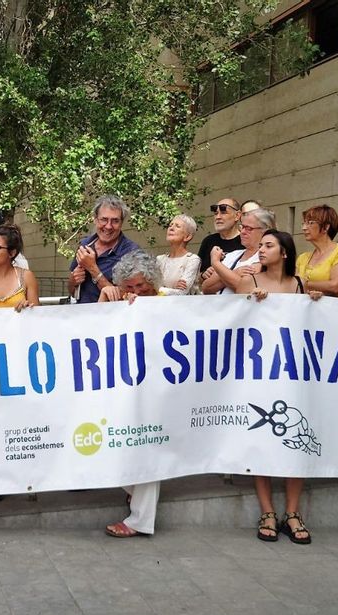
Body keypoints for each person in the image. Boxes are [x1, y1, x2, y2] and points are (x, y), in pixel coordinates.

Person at [230, 230, 313, 544]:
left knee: (297, 439)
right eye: (261, 245)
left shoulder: (300, 284)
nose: (261, 250)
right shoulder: (248, 281)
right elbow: (232, 323)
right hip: (259, 373)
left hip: (292, 372)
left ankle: (292, 512)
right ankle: (267, 510)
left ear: (285, 252)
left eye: (268, 246)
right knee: (261, 440)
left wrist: (315, 302)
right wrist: (250, 304)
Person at [99, 251, 164, 537]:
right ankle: (134, 491)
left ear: (153, 283)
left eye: (142, 286)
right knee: (116, 442)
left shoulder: (168, 303)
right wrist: (108, 297)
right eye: (130, 286)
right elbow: (94, 325)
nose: (136, 291)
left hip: (158, 388)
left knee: (148, 446)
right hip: (126, 387)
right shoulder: (121, 302)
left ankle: (140, 519)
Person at [67, 195, 141, 303]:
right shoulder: (85, 245)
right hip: (82, 311)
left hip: (113, 313)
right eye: (104, 219)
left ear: (121, 223)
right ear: (95, 220)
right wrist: (73, 281)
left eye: (115, 221)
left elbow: (127, 298)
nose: (108, 226)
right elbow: (72, 291)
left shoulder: (132, 252)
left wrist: (93, 269)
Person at [199, 208, 272, 295]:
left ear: (265, 231)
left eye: (249, 228)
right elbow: (206, 287)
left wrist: (216, 263)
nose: (243, 232)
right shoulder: (232, 255)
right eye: (242, 227)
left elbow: (245, 289)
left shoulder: (264, 257)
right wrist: (235, 273)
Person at [296, 205, 338, 298]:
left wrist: (303, 284)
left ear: (326, 227)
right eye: (303, 223)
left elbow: (335, 286)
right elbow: (294, 287)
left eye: (310, 223)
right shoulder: (302, 257)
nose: (304, 228)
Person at [156, 215, 200, 295]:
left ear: (187, 236)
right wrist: (173, 286)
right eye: (170, 225)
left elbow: (182, 292)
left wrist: (160, 289)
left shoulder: (192, 260)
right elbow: (151, 288)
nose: (171, 228)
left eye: (177, 226)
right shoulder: (160, 259)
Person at [197, 198, 242, 275]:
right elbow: (196, 275)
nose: (218, 217)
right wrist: (203, 275)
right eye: (216, 213)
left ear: (237, 215)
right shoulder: (208, 241)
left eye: (223, 213)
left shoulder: (245, 241)